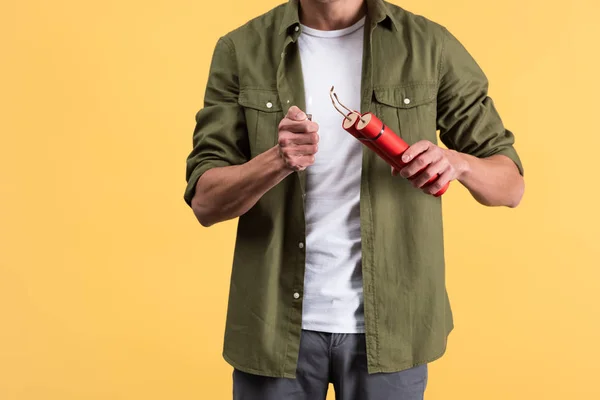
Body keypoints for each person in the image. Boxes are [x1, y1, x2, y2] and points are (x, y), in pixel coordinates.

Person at [183, 0, 524, 398]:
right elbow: (206, 201)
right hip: (273, 329)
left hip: (393, 330)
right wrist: (277, 160)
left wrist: (456, 163)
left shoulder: (429, 46)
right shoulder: (242, 48)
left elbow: (511, 185)